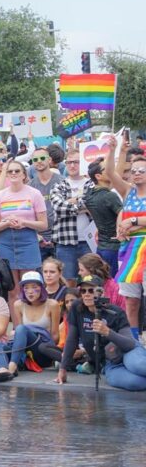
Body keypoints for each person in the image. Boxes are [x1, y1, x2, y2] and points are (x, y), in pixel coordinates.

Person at [56, 275, 146, 391]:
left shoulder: (115, 312)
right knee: (136, 383)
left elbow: (130, 344)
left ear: (101, 292)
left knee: (139, 366)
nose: (87, 294)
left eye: (91, 290)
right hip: (110, 363)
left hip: (127, 352)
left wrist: (108, 332)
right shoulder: (76, 308)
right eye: (83, 291)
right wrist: (63, 368)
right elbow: (71, 339)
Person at [104, 138, 146, 341]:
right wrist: (115, 151)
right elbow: (110, 173)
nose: (137, 173)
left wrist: (134, 221)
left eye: (141, 170)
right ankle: (133, 340)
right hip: (129, 249)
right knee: (131, 299)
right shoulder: (128, 192)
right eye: (134, 170)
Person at [0, 160, 49, 302]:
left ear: (24, 174)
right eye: (10, 171)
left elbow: (43, 225)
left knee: (30, 288)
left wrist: (24, 222)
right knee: (12, 290)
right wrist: (6, 223)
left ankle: (31, 321)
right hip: (6, 241)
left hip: (28, 240)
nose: (14, 173)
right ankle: (17, 324)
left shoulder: (34, 194)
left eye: (17, 171)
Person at [0, 271, 61, 383]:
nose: (30, 291)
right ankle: (3, 369)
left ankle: (11, 368)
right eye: (26, 288)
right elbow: (19, 334)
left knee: (22, 328)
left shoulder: (52, 304)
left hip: (42, 350)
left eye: (34, 287)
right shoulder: (18, 304)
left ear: (41, 288)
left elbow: (55, 336)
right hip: (24, 349)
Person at [50, 150, 93, 287]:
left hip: (89, 240)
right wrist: (82, 205)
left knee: (91, 280)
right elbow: (58, 208)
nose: (72, 165)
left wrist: (70, 202)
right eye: (69, 162)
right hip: (65, 242)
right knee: (68, 281)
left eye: (76, 162)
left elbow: (92, 203)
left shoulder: (91, 184)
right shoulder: (59, 185)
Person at [83, 161, 122, 276]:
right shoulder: (110, 196)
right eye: (107, 169)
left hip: (101, 247)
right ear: (98, 176)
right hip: (115, 247)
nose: (111, 170)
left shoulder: (89, 195)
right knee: (115, 285)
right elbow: (123, 215)